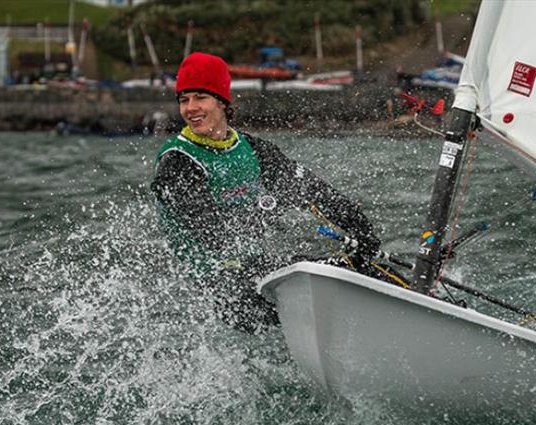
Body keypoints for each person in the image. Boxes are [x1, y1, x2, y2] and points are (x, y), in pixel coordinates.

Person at [151, 52, 380, 333]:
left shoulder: (254, 150)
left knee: (348, 266)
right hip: (212, 282)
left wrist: (363, 233)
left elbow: (314, 192)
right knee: (276, 289)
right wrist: (265, 214)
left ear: (222, 101)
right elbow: (210, 233)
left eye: (200, 97)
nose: (190, 108)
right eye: (184, 100)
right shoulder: (176, 161)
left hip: (253, 266)